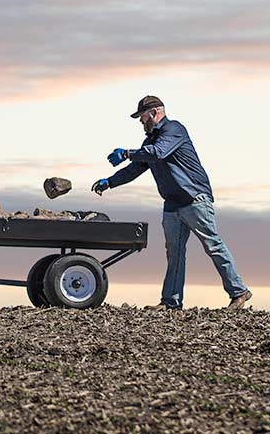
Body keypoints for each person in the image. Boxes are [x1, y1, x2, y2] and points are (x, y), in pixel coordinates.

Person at [91, 95, 252, 310]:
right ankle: (170, 302)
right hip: (172, 204)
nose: (140, 121)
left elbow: (158, 153)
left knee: (212, 245)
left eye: (142, 116)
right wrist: (109, 182)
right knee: (174, 253)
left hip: (194, 198)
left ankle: (239, 292)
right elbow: (135, 169)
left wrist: (128, 153)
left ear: (155, 112)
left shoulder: (174, 130)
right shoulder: (149, 142)